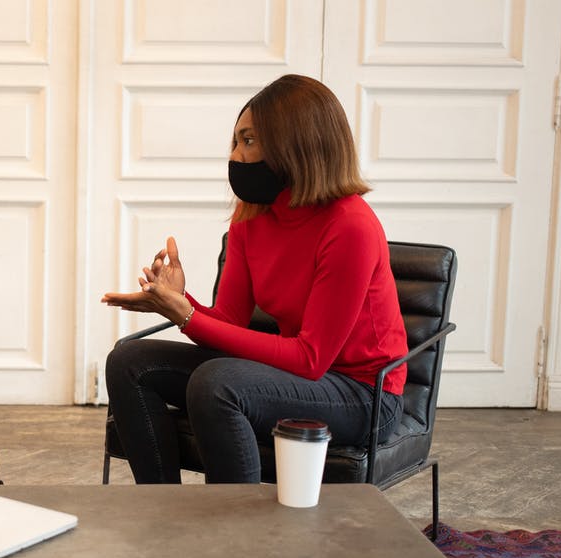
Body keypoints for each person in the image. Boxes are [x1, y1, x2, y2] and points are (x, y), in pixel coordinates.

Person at [102, 74, 408, 484]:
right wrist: (178, 301)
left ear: (295, 142)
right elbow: (228, 321)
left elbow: (311, 358)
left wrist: (187, 317)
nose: (236, 156)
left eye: (248, 141)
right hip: (299, 380)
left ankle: (240, 534)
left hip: (362, 393)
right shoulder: (252, 217)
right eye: (234, 142)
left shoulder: (351, 225)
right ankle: (164, 509)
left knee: (218, 382)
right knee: (129, 362)